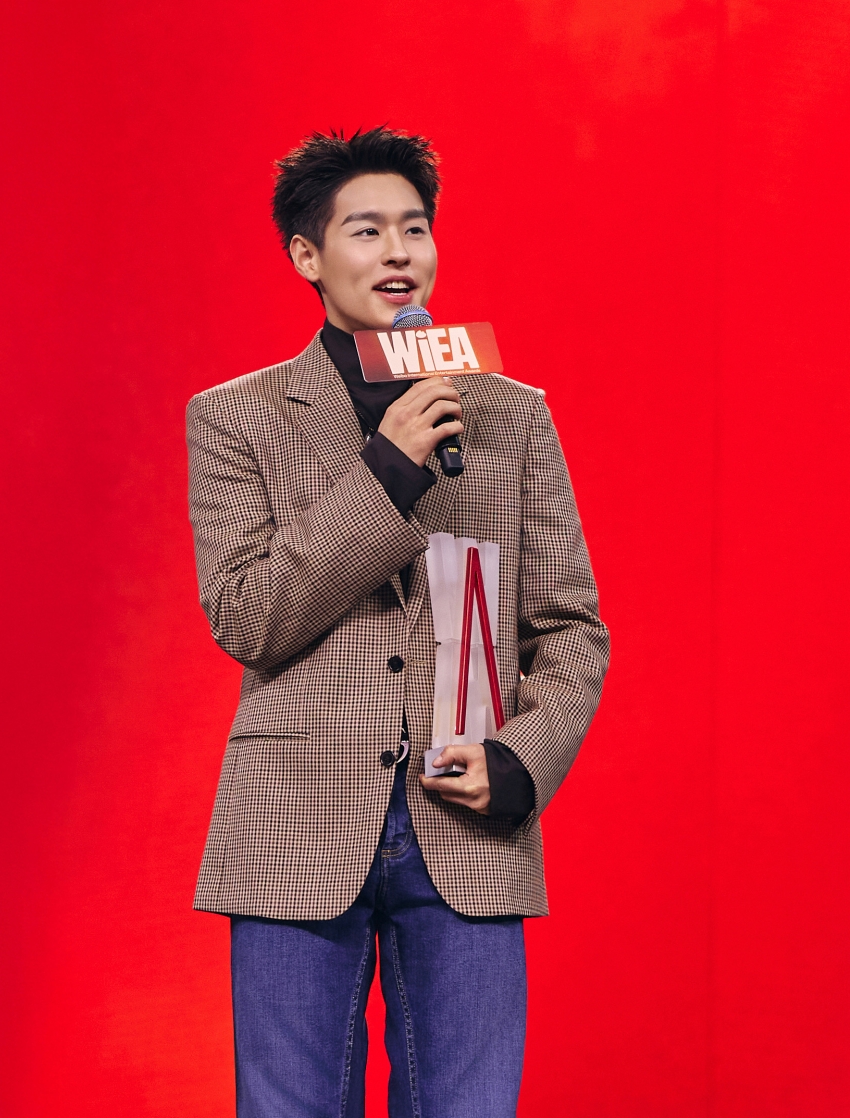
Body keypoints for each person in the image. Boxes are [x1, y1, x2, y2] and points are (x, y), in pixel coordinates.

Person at [186, 126, 609, 1118]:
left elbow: (572, 625)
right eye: (367, 230)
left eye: (414, 229)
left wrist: (522, 760)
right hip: (295, 822)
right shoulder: (236, 417)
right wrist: (386, 472)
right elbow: (248, 615)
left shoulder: (509, 413)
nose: (398, 253)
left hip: (468, 824)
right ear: (307, 255)